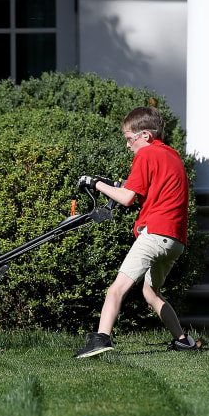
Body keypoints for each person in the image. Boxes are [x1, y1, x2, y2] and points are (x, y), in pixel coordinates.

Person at [73, 106, 197, 357]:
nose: (128, 146)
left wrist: (95, 183)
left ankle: (101, 340)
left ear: (145, 136)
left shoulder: (146, 155)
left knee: (116, 288)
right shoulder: (171, 155)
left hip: (154, 234)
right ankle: (183, 340)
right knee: (151, 292)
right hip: (175, 240)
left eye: (130, 139)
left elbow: (127, 198)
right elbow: (144, 191)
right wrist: (113, 186)